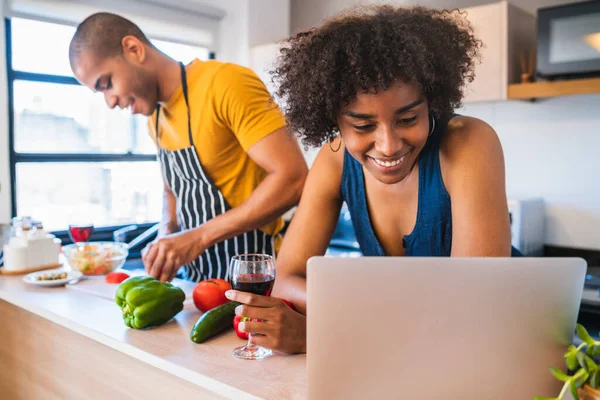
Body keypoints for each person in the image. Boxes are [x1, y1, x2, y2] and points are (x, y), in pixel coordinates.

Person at [226, 5, 519, 354]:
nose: (389, 145)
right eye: (363, 126)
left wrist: (323, 331)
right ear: (333, 119)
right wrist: (360, 309)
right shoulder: (333, 159)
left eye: (408, 118)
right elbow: (286, 280)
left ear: (432, 103)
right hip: (409, 355)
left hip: (502, 346)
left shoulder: (468, 143)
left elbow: (470, 307)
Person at [69, 13, 308, 282]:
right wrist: (166, 235)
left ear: (133, 49)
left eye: (107, 84)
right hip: (197, 283)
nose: (110, 102)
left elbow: (294, 178)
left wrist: (197, 238)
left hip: (255, 280)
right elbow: (172, 191)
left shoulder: (226, 83)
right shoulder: (155, 119)